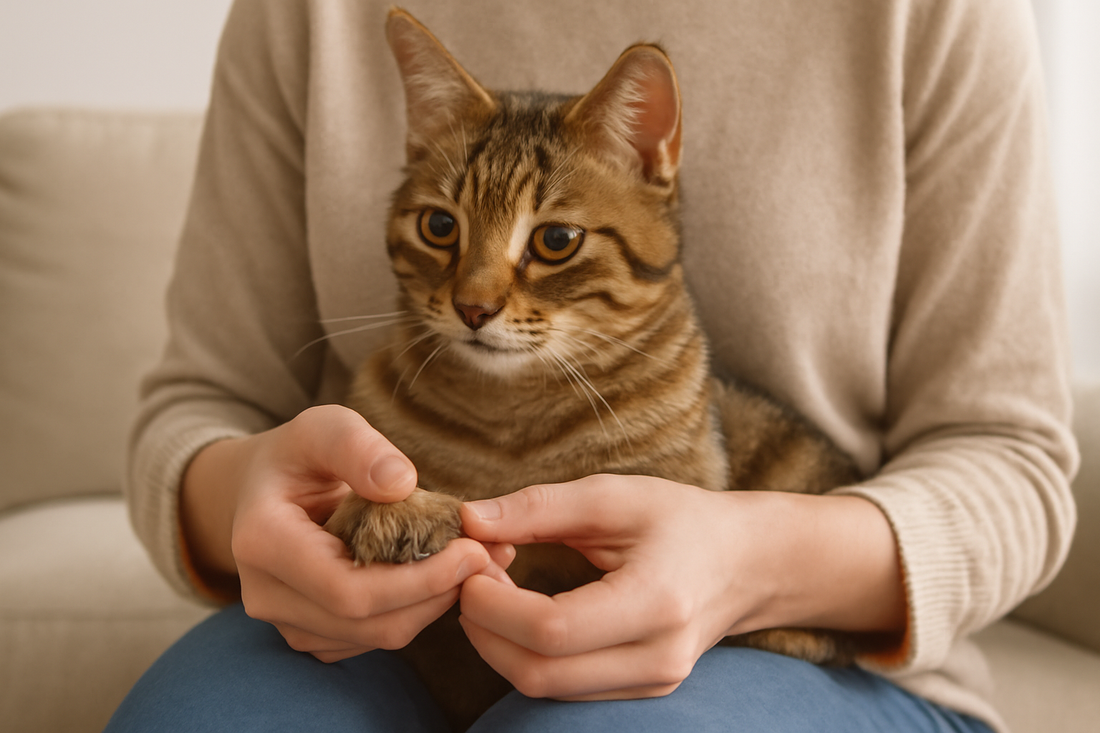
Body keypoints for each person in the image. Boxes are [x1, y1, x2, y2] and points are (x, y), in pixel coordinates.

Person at [107, 0, 1078, 731]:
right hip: (366, 634)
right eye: (443, 230)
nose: (478, 298)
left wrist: (756, 569)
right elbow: (203, 403)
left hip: (810, 650)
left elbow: (1012, 459)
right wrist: (242, 500)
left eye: (552, 243)